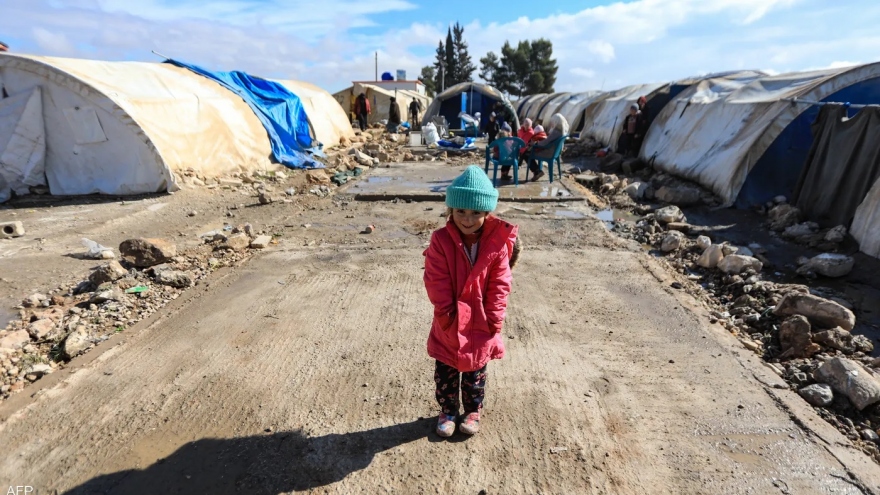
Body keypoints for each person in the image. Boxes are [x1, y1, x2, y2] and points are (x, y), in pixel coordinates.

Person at [424, 165, 520, 437]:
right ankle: (447, 410)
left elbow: (500, 283)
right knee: (446, 370)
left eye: (476, 212)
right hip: (449, 319)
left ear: (487, 212)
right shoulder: (440, 240)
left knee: (476, 371)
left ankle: (472, 410)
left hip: (481, 320)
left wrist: (494, 318)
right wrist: (445, 314)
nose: (467, 219)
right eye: (461, 211)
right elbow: (436, 280)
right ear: (450, 211)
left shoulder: (497, 245)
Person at [528, 114, 569, 181]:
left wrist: (535, 143)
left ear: (556, 122)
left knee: (528, 154)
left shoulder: (556, 131)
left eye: (553, 121)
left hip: (549, 153)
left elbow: (546, 142)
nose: (551, 123)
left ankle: (537, 172)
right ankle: (538, 170)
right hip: (555, 152)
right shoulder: (561, 131)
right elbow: (549, 140)